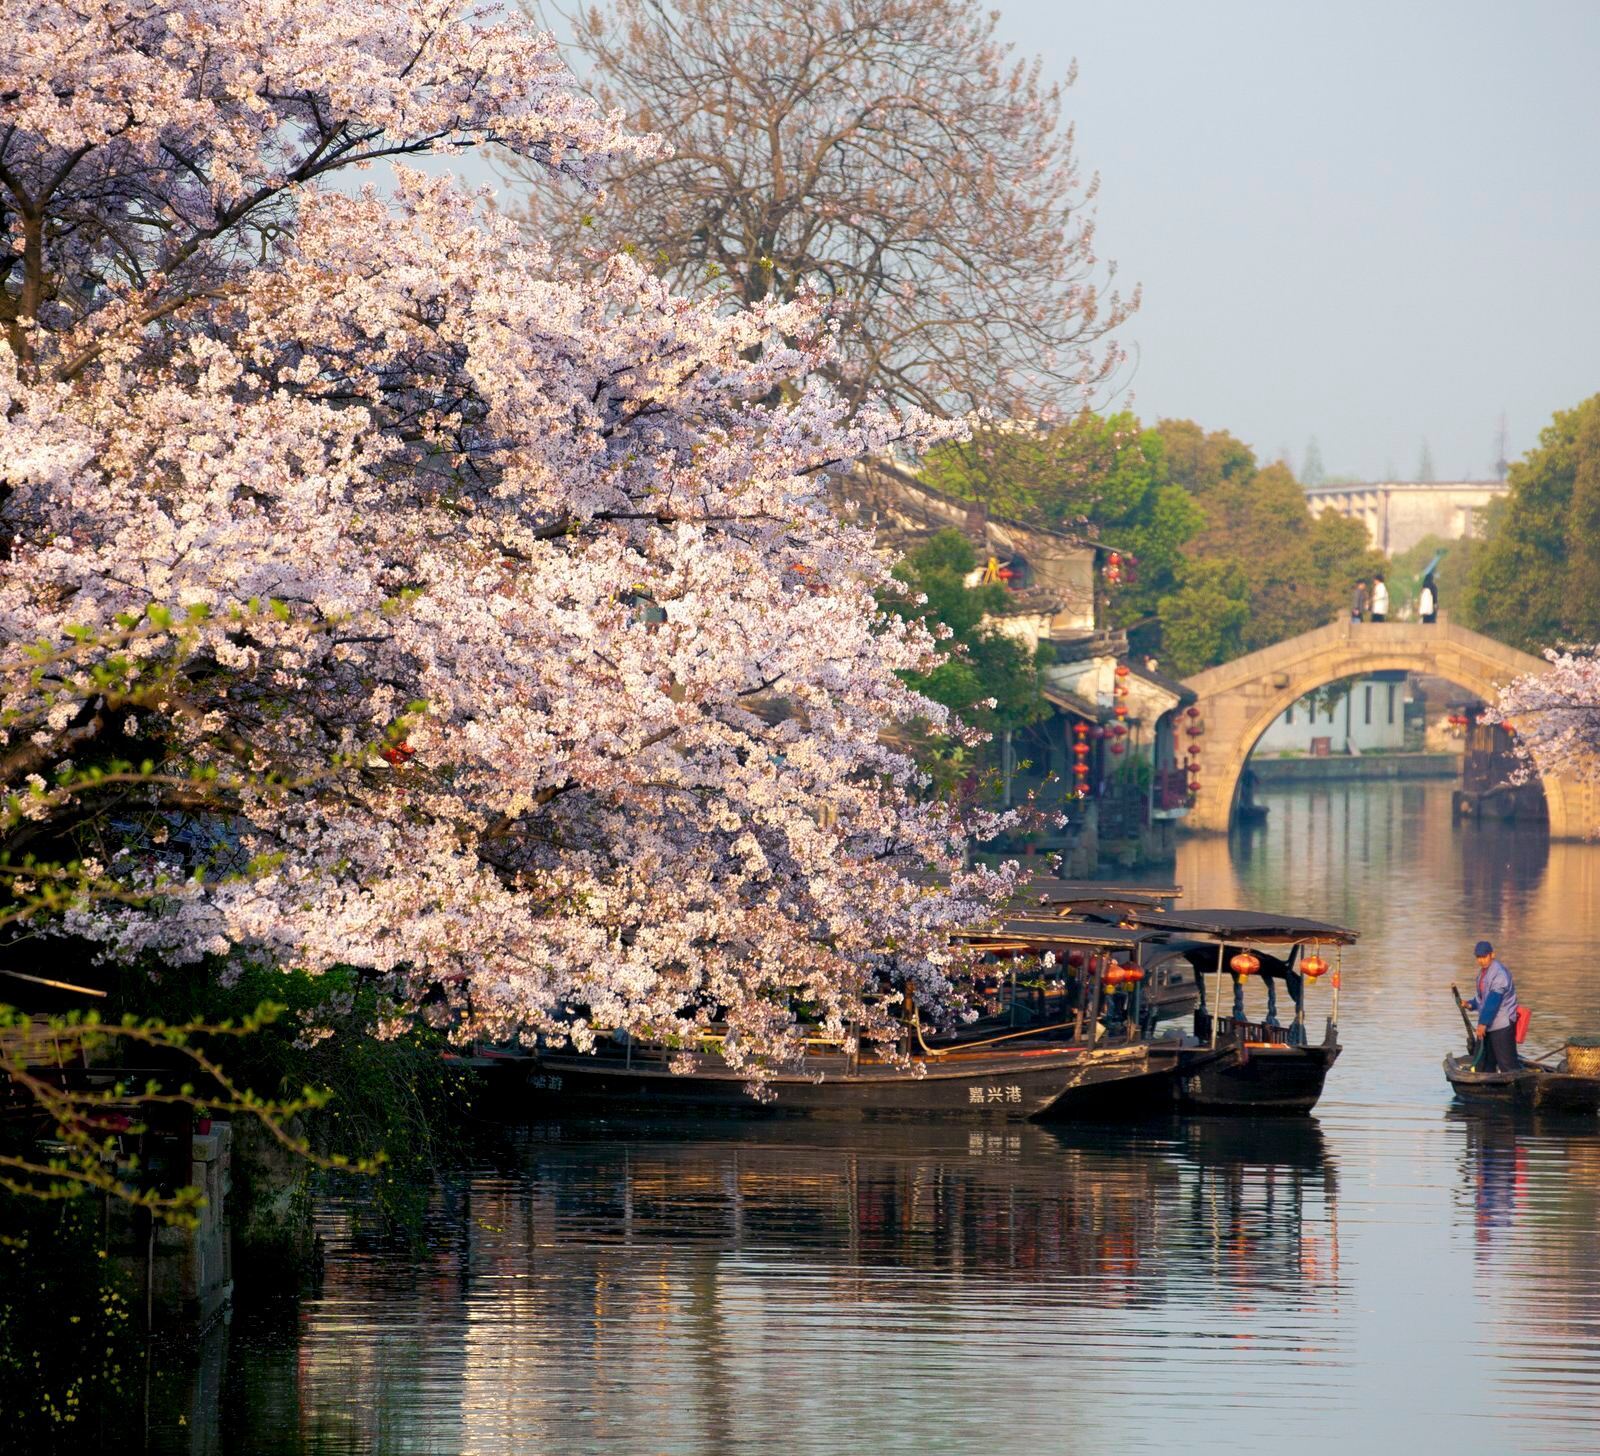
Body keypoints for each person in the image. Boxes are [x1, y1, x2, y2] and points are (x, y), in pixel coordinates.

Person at [1463, 939, 1519, 1072]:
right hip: (1488, 1024)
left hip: (1502, 1024)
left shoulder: (1499, 974)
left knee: (1507, 1065)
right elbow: (1482, 998)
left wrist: (1482, 1024)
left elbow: (1493, 1001)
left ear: (1492, 955)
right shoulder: (1483, 974)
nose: (1481, 960)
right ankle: (1485, 1086)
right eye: (1478, 957)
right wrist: (1470, 1004)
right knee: (1483, 1064)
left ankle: (1515, 1089)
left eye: (1484, 956)